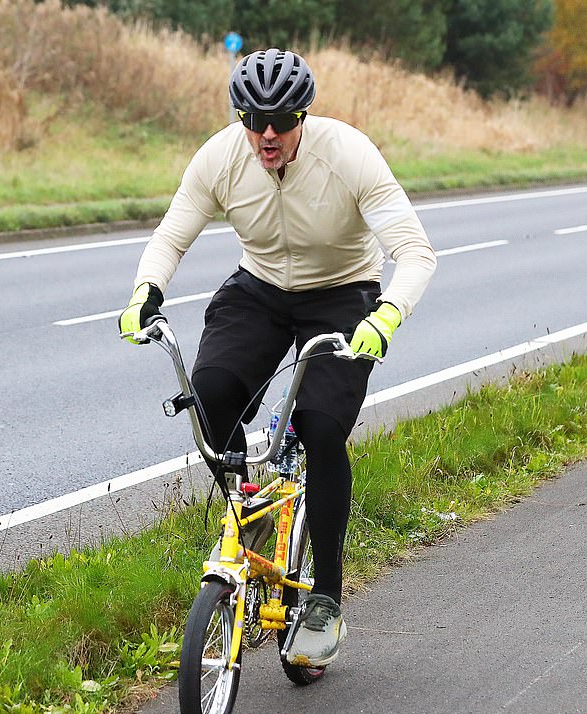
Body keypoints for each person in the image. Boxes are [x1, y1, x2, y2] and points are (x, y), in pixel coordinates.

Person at [119, 48, 436, 668]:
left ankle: (325, 599)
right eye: (253, 119)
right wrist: (145, 290)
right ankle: (251, 516)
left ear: (303, 116)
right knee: (210, 397)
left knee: (320, 427)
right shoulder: (220, 157)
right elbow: (172, 234)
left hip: (344, 293)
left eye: (282, 120)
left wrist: (386, 316)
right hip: (260, 287)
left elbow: (416, 253)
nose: (267, 134)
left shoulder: (347, 154)